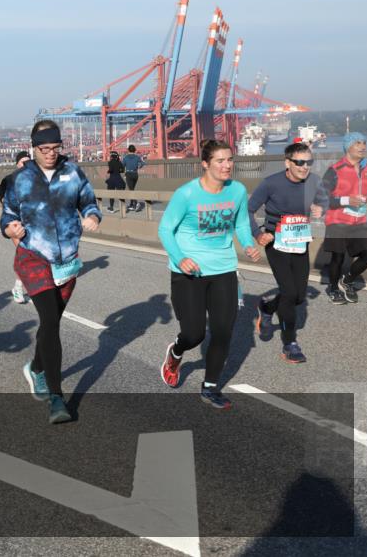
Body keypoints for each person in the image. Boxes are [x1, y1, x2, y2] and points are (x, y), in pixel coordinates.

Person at [1, 120, 101, 424]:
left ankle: (36, 368)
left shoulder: (73, 173)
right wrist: (10, 228)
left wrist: (93, 216)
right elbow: (7, 214)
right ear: (34, 148)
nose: (50, 154)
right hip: (33, 255)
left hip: (66, 258)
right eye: (44, 149)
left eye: (55, 148)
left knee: (52, 320)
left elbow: (88, 200)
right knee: (50, 321)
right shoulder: (19, 179)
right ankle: (57, 399)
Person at [158, 139, 262, 410]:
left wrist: (248, 244)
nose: (227, 165)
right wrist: (181, 259)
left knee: (223, 332)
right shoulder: (187, 194)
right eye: (220, 160)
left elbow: (240, 224)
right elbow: (165, 230)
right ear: (205, 164)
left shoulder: (237, 190)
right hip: (188, 272)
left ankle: (210, 386)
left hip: (224, 269)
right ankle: (177, 352)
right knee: (194, 334)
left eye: (230, 160)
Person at [248, 142, 327, 363]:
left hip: (300, 242)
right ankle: (289, 344)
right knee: (289, 292)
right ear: (287, 162)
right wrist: (257, 234)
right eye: (299, 162)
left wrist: (322, 207)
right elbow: (248, 209)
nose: (304, 167)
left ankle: (267, 307)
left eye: (308, 162)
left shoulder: (314, 182)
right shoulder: (271, 183)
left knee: (299, 297)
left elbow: (325, 201)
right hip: (277, 242)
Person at [320, 132, 367, 304]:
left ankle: (348, 280)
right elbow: (322, 197)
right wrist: (346, 200)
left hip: (359, 219)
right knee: (338, 257)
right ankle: (334, 288)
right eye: (357, 143)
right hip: (337, 220)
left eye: (364, 142)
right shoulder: (334, 170)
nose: (363, 146)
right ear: (347, 146)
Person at [0, 150, 32, 304]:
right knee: (25, 254)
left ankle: (31, 288)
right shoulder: (9, 179)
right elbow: (0, 196)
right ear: (17, 164)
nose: (26, 165)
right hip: (15, 223)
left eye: (29, 162)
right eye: (23, 162)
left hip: (33, 223)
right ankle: (19, 287)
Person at [122, 145, 146, 211]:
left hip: (129, 174)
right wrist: (139, 167)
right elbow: (143, 163)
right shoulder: (137, 157)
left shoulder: (125, 157)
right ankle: (132, 204)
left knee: (131, 190)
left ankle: (136, 203)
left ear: (128, 150)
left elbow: (122, 165)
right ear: (134, 150)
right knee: (132, 189)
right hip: (135, 174)